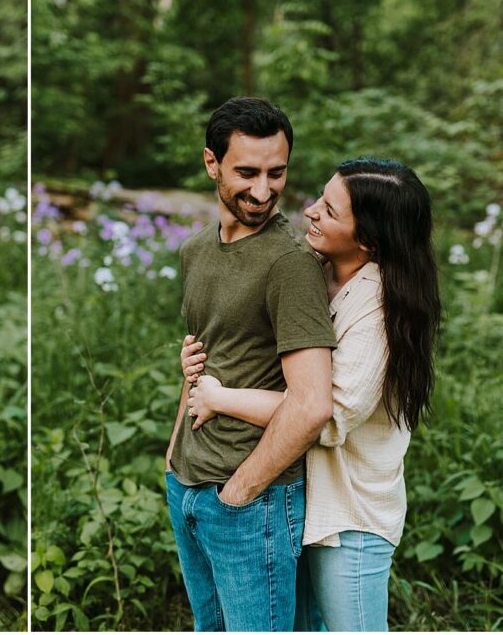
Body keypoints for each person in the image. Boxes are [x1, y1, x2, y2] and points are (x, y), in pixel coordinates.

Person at [182, 157, 440, 631]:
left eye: (331, 210)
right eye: (320, 197)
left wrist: (222, 398)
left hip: (350, 516)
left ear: (367, 240)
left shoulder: (378, 306)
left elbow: (323, 412)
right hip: (300, 497)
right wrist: (199, 358)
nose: (311, 211)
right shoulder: (316, 271)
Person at [164, 97, 338, 632]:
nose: (263, 191)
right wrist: (173, 459)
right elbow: (202, 359)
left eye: (276, 173)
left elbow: (312, 405)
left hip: (251, 501)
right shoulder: (196, 250)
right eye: (246, 172)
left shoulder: (290, 263)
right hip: (188, 486)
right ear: (211, 163)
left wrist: (239, 492)